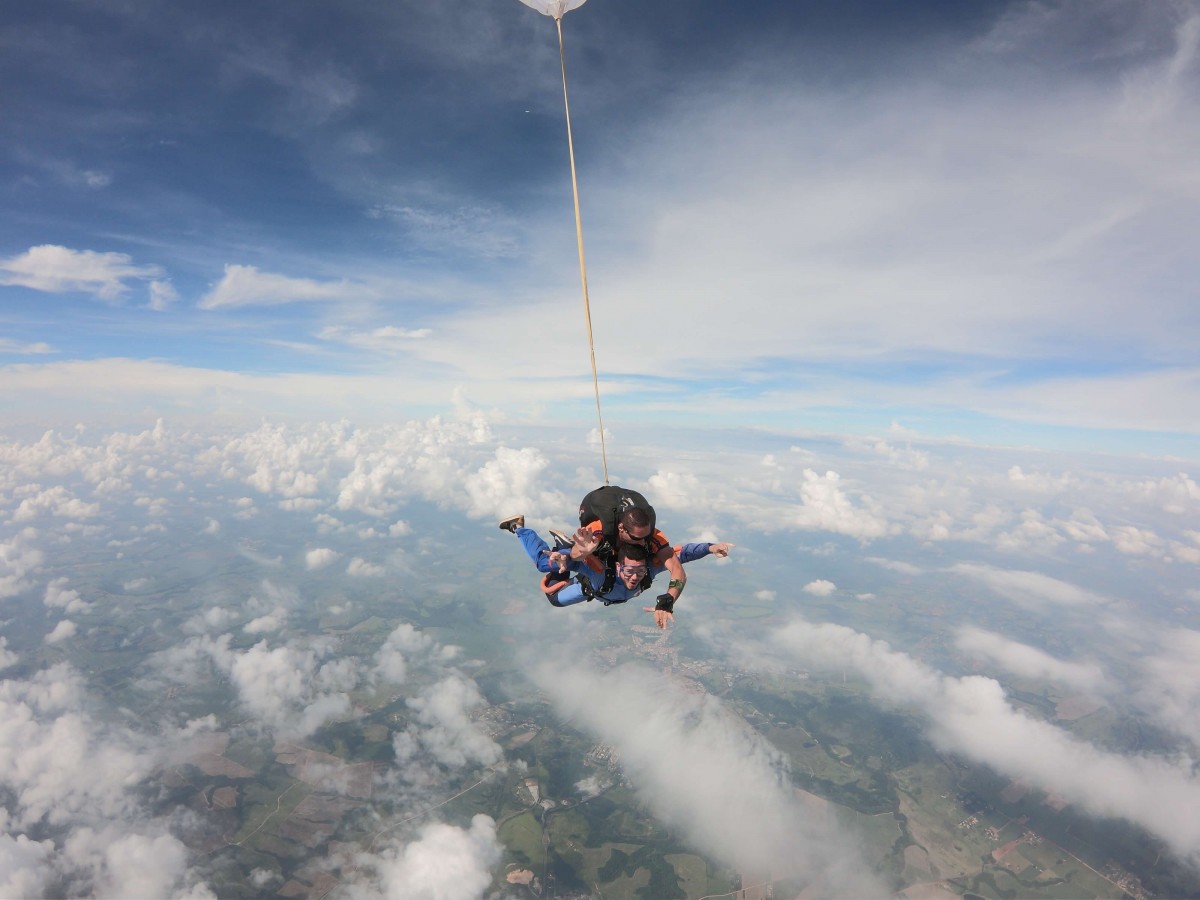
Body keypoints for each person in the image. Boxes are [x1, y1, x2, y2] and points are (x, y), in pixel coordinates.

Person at [499, 515, 733, 629]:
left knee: (557, 597)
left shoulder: (649, 569)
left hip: (599, 591)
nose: (635, 577)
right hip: (589, 584)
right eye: (630, 571)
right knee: (553, 593)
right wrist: (566, 557)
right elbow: (577, 564)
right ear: (619, 566)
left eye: (640, 571)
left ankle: (568, 550)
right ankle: (519, 528)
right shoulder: (601, 571)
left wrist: (711, 548)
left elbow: (683, 554)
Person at [570, 485, 689, 614]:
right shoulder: (599, 529)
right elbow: (574, 555)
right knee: (555, 598)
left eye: (646, 536)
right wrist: (584, 552)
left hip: (623, 562)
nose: (643, 542)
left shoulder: (652, 536)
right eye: (636, 537)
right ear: (621, 528)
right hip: (603, 553)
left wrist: (670, 598)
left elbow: (678, 571)